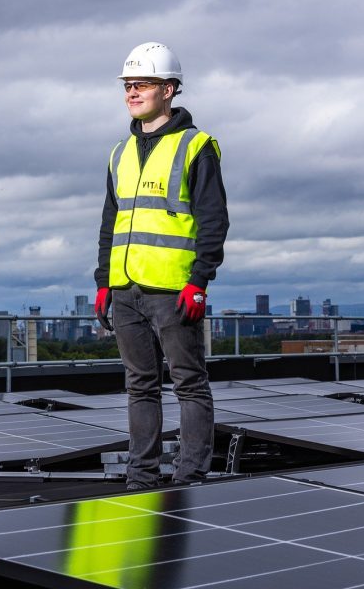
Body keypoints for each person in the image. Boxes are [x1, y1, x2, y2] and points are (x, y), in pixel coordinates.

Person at [94, 42, 229, 489]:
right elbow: (110, 221)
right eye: (128, 85)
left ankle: (190, 477)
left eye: (143, 84)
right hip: (125, 289)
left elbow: (214, 218)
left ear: (168, 89)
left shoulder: (196, 146)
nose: (132, 92)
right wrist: (102, 281)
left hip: (174, 289)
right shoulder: (120, 153)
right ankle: (141, 477)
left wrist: (199, 281)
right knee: (140, 387)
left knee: (189, 383)